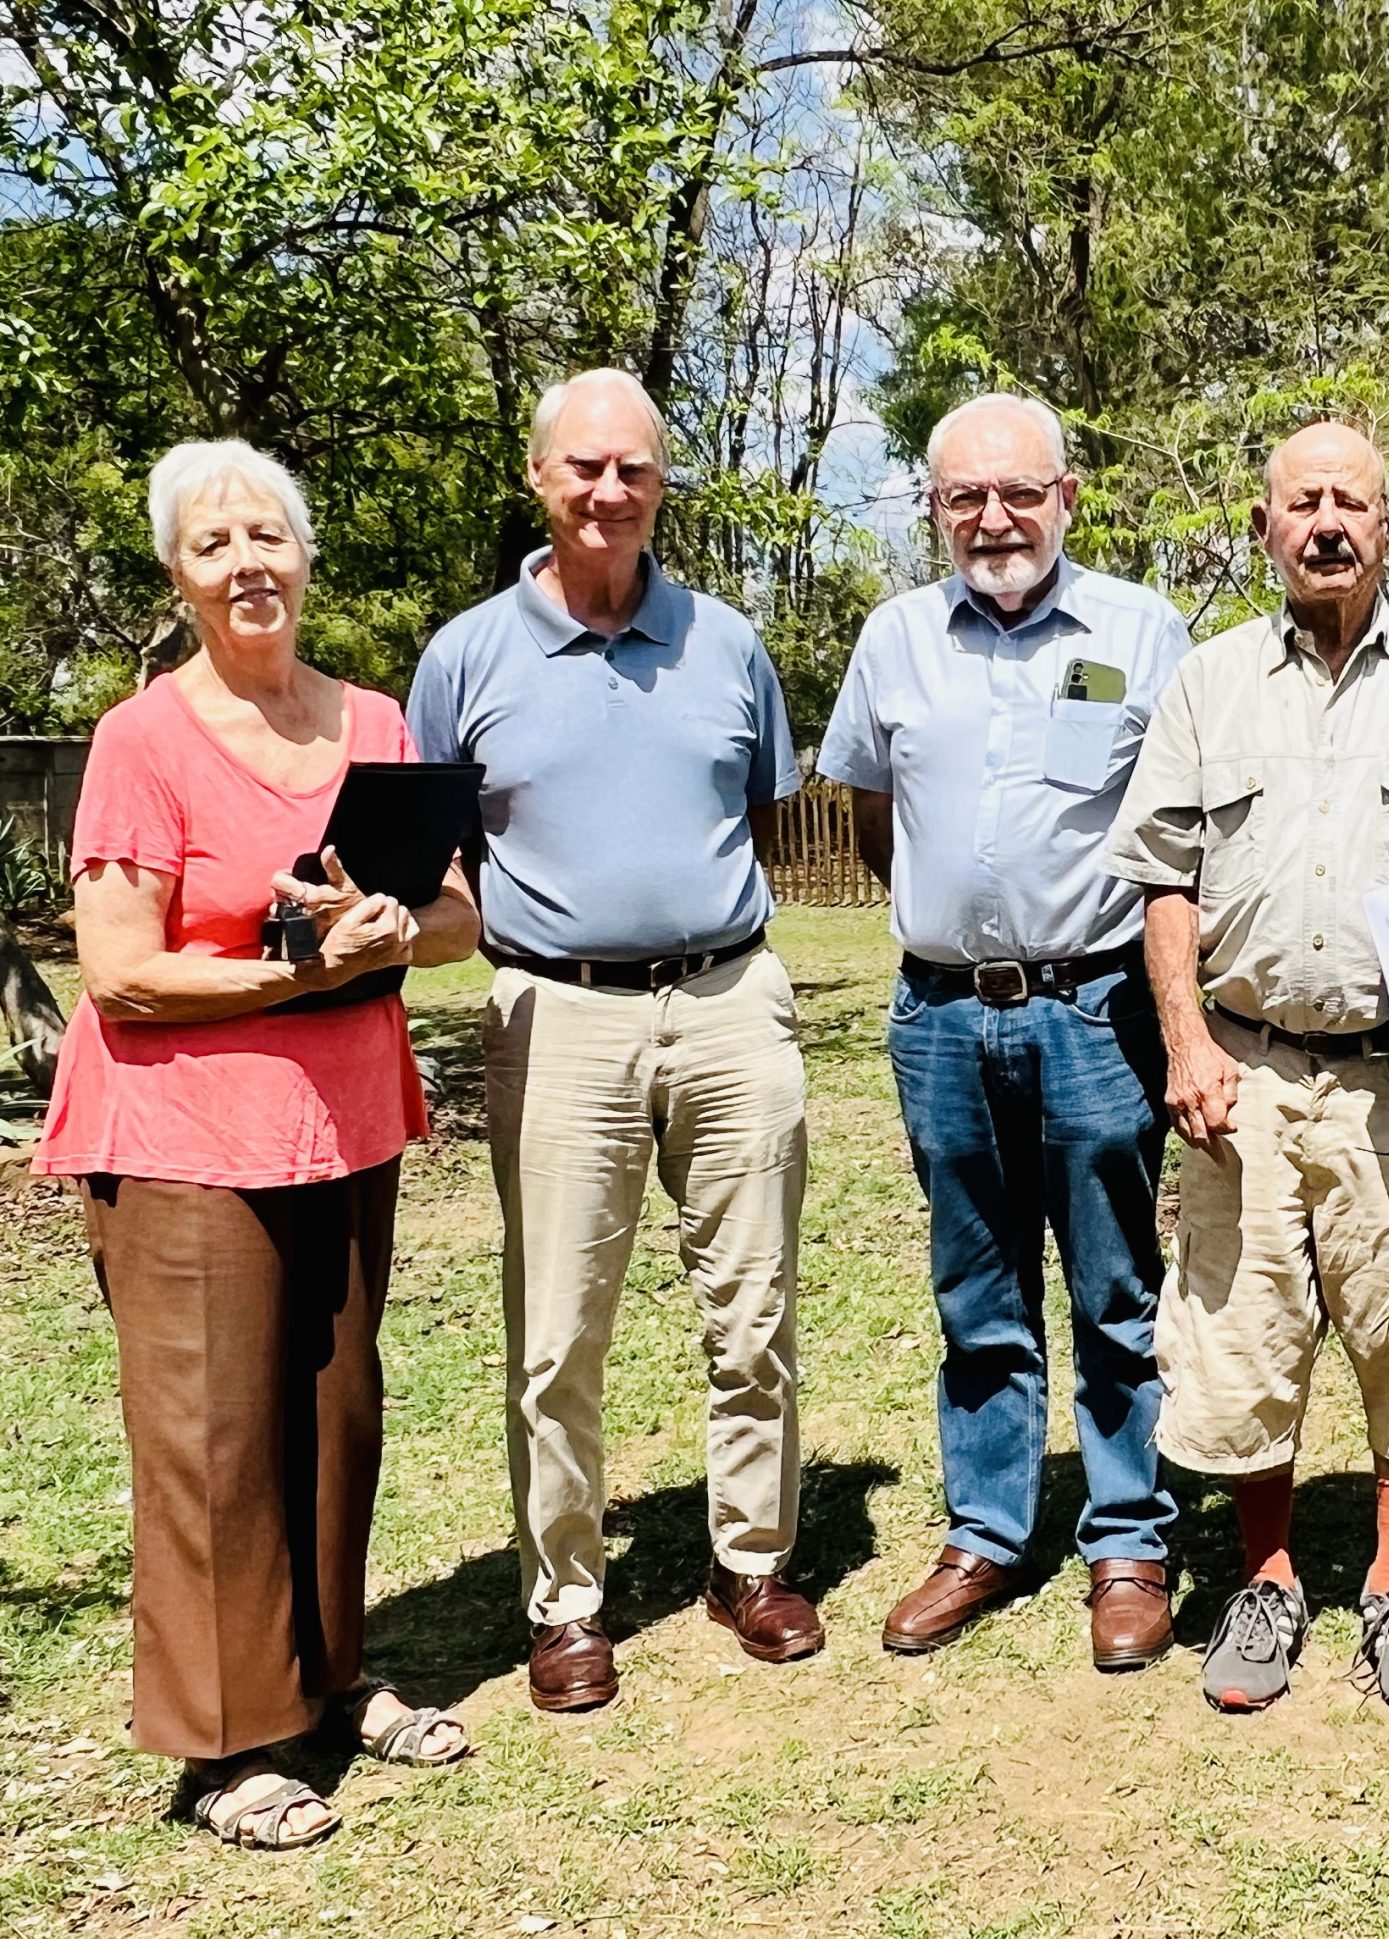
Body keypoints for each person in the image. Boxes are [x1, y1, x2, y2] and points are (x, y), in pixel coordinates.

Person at [36, 440, 481, 1847]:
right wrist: (299, 969)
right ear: (180, 571)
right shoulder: (142, 740)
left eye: (269, 537)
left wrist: (403, 928)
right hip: (182, 1140)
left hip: (344, 1123)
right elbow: (120, 972)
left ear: (305, 556)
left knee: (336, 1418)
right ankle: (231, 1746)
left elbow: (459, 914)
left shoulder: (377, 721)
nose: (249, 565)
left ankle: (333, 1675)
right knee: (215, 1440)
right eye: (215, 544)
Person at [1107, 421, 1389, 1718]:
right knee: (1244, 1334)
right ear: (1263, 531)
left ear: (1388, 527)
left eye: (1348, 503)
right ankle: (1267, 1580)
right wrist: (1188, 1042)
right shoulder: (1209, 684)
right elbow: (1166, 877)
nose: (1324, 524)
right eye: (1298, 503)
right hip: (1244, 1071)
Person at [408, 369, 821, 1713]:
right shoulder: (467, 657)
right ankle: (569, 1602)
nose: (609, 491)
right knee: (556, 1333)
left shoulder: (726, 642)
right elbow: (431, 867)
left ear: (660, 486)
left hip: (727, 999)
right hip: (555, 1009)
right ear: (539, 478)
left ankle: (749, 1562)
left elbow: (755, 821)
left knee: (752, 1310)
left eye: (634, 470)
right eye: (584, 467)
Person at [817, 393, 1190, 1669]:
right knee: (975, 1290)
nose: (995, 518)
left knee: (1114, 1287)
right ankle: (986, 1528)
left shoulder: (1142, 631)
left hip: (1095, 1007)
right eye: (966, 496)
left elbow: (1183, 828)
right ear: (933, 509)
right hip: (941, 1017)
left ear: (1067, 496)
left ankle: (1130, 1537)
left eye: (1020, 492)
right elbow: (872, 815)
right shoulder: (895, 638)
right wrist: (956, 930)